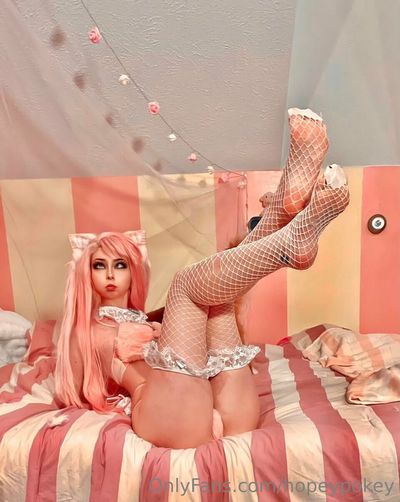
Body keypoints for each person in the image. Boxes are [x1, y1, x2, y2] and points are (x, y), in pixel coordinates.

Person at [55, 108, 350, 449]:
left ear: (133, 270)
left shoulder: (142, 319)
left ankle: (280, 216)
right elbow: (78, 367)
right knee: (186, 284)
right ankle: (285, 232)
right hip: (169, 415)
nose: (109, 274)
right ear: (84, 274)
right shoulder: (83, 330)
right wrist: (111, 343)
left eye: (120, 264)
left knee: (215, 297)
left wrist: (150, 325)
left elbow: (197, 307)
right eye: (99, 265)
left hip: (223, 408)